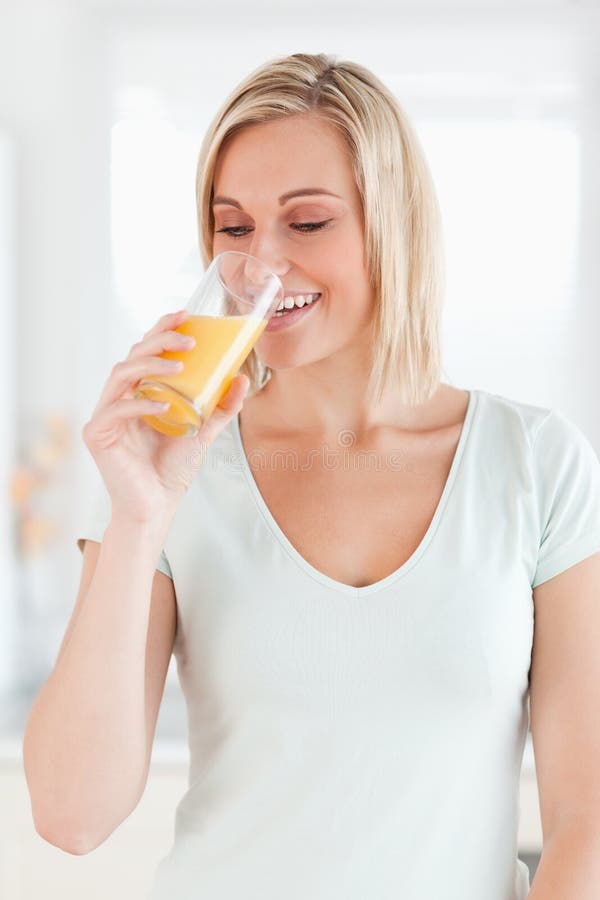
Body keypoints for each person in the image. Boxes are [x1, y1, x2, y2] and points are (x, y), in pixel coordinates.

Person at [23, 53, 600, 900]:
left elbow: (586, 819)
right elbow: (72, 816)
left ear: (390, 227)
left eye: (308, 223)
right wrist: (140, 516)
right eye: (233, 226)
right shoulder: (174, 470)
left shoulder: (534, 462)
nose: (261, 263)